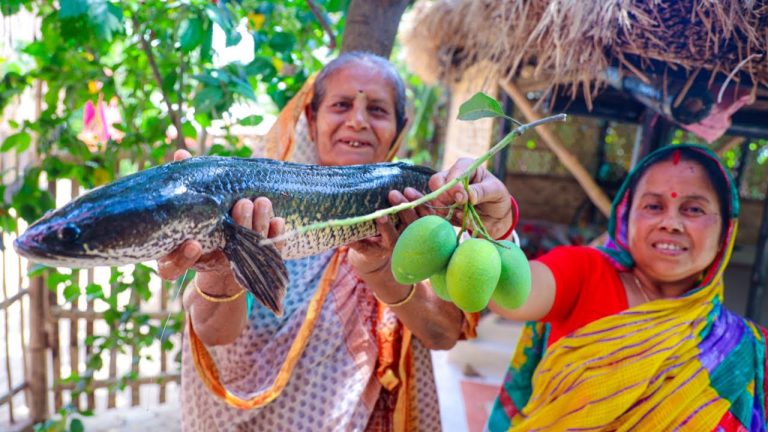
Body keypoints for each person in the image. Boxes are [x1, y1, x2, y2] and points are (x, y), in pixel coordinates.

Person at [157, 51, 515, 431]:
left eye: (377, 109)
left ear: (401, 127)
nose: (357, 121)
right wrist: (221, 271)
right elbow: (216, 334)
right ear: (311, 120)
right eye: (341, 105)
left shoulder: (419, 208)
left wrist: (383, 269)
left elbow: (442, 334)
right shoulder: (256, 205)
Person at [485, 143, 767, 431]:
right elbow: (512, 294)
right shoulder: (585, 272)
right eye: (653, 206)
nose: (671, 223)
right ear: (625, 216)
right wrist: (492, 232)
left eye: (694, 209)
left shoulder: (746, 354)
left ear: (725, 232)